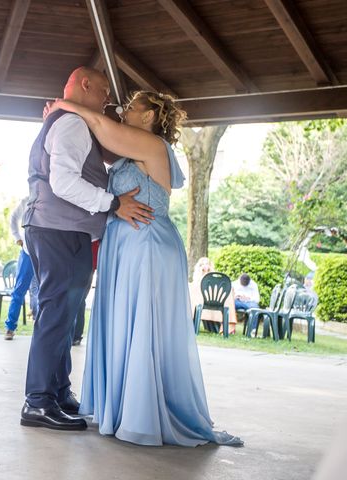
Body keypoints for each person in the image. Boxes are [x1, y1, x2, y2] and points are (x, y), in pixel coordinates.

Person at [47, 90, 242, 446]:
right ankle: (121, 406)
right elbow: (101, 140)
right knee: (124, 321)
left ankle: (143, 414)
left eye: (132, 107)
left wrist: (64, 105)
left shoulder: (151, 144)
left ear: (150, 116)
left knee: (143, 324)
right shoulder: (129, 150)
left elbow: (100, 126)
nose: (123, 111)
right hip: (125, 244)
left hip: (146, 242)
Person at [20, 67, 153, 432]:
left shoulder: (73, 122)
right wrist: (113, 204)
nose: (108, 100)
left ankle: (58, 392)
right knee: (56, 315)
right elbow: (63, 182)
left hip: (60, 229)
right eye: (105, 91)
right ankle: (38, 402)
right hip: (60, 230)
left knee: (63, 317)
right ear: (85, 85)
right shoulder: (72, 124)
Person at [4, 197, 39, 341]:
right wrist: (17, 237)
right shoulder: (26, 200)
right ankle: (10, 327)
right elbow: (13, 218)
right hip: (27, 252)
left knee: (42, 291)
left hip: (46, 253)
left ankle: (40, 329)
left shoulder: (53, 197)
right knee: (19, 290)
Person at [189, 257, 238, 334]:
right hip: (217, 304)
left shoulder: (211, 279)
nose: (205, 266)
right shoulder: (198, 281)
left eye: (207, 264)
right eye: (202, 264)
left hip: (205, 304)